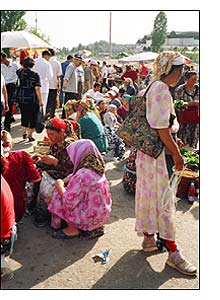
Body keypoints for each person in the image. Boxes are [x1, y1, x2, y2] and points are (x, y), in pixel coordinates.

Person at [135, 51, 197, 276]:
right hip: (159, 156)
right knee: (164, 200)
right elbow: (161, 129)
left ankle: (149, 240)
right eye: (180, 70)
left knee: (149, 195)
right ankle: (173, 252)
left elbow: (159, 125)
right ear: (173, 71)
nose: (181, 75)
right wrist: (178, 154)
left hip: (147, 153)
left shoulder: (152, 86)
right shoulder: (161, 90)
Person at [48, 139, 112, 239]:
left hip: (89, 218)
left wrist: (59, 185)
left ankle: (72, 230)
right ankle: (93, 228)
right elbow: (73, 176)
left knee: (57, 194)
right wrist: (64, 180)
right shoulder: (98, 168)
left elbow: (68, 200)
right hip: (101, 215)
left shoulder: (81, 175)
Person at [32, 117, 79, 226]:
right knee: (34, 173)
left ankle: (43, 216)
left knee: (46, 183)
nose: (49, 137)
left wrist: (55, 162)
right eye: (48, 134)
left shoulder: (70, 145)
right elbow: (50, 161)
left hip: (70, 177)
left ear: (62, 132)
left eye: (52, 134)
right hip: (57, 172)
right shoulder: (55, 143)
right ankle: (35, 208)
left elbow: (74, 169)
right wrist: (40, 161)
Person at [1, 130, 41, 222]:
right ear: (10, 143)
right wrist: (28, 163)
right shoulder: (22, 156)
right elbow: (36, 178)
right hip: (16, 206)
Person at [16, 57, 44, 141]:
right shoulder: (35, 75)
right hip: (32, 98)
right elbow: (37, 88)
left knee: (24, 114)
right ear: (32, 65)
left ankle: (24, 132)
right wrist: (40, 100)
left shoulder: (19, 72)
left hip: (21, 96)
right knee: (33, 116)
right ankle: (30, 135)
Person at [174, 71, 199, 150]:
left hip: (195, 120)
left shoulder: (198, 89)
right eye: (193, 79)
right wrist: (189, 104)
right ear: (186, 79)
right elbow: (176, 104)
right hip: (184, 120)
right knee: (183, 142)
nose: (195, 81)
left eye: (196, 79)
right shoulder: (180, 89)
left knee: (193, 142)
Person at [1, 52, 18, 132]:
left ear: (4, 57)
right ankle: (9, 117)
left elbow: (18, 76)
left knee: (9, 104)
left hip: (12, 86)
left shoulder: (15, 65)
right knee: (6, 104)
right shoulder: (1, 66)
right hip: (4, 86)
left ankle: (7, 124)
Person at [62, 54, 83, 118]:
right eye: (79, 62)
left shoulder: (75, 67)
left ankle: (69, 116)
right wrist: (65, 84)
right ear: (75, 60)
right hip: (69, 89)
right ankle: (64, 116)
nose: (80, 64)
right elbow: (67, 76)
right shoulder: (71, 66)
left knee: (71, 104)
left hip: (73, 89)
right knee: (68, 104)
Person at [33, 50, 53, 116]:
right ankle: (40, 120)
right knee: (43, 104)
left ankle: (34, 118)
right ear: (46, 55)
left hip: (34, 86)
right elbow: (50, 76)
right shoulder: (47, 64)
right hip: (44, 86)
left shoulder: (34, 61)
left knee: (35, 104)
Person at [46, 48, 62, 119]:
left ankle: (45, 113)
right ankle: (52, 114)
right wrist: (59, 85)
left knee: (46, 100)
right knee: (53, 101)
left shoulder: (45, 62)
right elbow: (59, 76)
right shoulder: (57, 63)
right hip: (54, 84)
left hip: (45, 85)